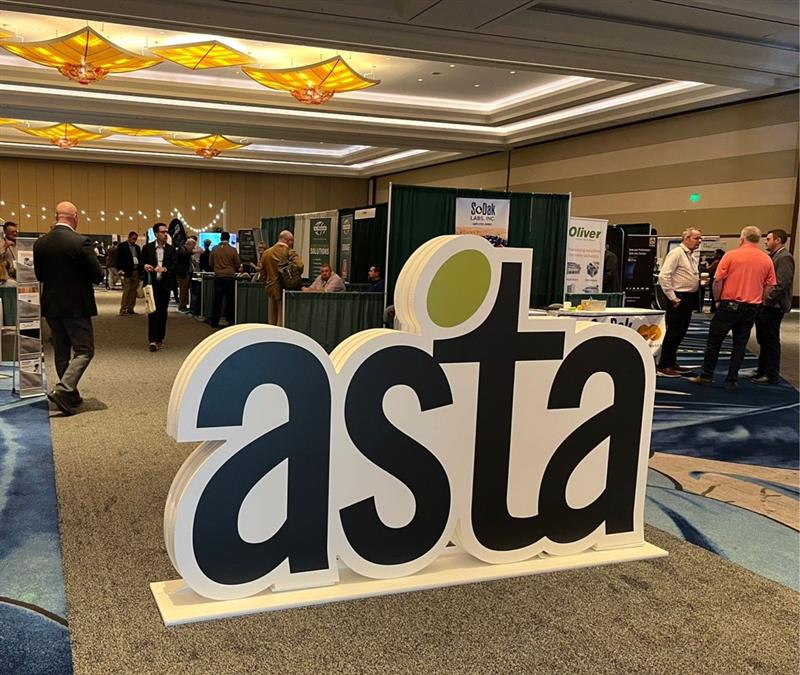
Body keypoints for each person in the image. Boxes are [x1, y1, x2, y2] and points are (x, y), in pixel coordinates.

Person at [33, 201, 104, 415]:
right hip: (76, 306)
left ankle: (69, 396)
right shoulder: (81, 242)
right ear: (75, 217)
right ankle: (64, 389)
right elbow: (97, 275)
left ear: (56, 216)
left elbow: (39, 275)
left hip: (51, 305)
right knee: (84, 350)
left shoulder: (40, 243)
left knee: (61, 349)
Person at [688, 226, 776, 391]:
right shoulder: (766, 259)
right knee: (740, 344)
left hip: (729, 304)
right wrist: (761, 299)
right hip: (751, 307)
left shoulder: (731, 255)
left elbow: (717, 280)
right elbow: (770, 285)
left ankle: (706, 375)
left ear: (742, 238)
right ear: (758, 239)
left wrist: (717, 300)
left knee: (715, 340)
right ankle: (731, 380)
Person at [749, 229, 795, 385]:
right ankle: (762, 370)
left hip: (774, 306)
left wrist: (767, 300)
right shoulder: (774, 256)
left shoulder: (784, 257)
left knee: (770, 340)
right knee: (763, 339)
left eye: (768, 239)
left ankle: (771, 373)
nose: (765, 241)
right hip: (767, 305)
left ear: (778, 240)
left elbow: (782, 283)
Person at [656, 228, 702, 377]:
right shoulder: (676, 253)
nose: (699, 241)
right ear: (686, 238)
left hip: (689, 297)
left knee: (681, 332)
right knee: (674, 332)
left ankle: (672, 362)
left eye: (700, 238)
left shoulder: (691, 255)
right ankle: (664, 365)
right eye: (696, 238)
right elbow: (664, 276)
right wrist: (672, 296)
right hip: (678, 297)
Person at [141, 222, 176, 351]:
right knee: (152, 312)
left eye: (166, 232)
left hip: (165, 284)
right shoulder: (147, 248)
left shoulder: (171, 249)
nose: (165, 234)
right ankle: (152, 340)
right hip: (152, 285)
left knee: (162, 313)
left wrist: (165, 269)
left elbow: (175, 266)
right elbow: (141, 262)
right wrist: (145, 266)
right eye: (162, 232)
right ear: (156, 234)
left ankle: (160, 338)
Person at [261, 230, 303, 326]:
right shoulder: (289, 252)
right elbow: (300, 265)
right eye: (291, 241)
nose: (292, 243)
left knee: (271, 318)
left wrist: (267, 281)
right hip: (283, 287)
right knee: (281, 318)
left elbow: (262, 270)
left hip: (270, 288)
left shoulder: (266, 253)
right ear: (287, 240)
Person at [210, 231, 241, 328]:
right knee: (230, 301)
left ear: (220, 238)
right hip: (229, 277)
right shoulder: (233, 250)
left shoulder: (214, 249)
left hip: (218, 277)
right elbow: (237, 263)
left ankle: (214, 322)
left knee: (217, 301)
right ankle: (230, 321)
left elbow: (210, 263)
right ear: (228, 239)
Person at [116, 230, 142, 315]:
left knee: (134, 291)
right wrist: (120, 269)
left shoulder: (137, 248)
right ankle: (123, 309)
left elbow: (140, 259)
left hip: (136, 271)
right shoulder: (122, 246)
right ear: (129, 238)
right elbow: (118, 258)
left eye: (135, 239)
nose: (134, 240)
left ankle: (131, 308)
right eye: (133, 239)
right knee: (127, 291)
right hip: (127, 271)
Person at [175, 236, 197, 312]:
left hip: (186, 273)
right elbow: (184, 255)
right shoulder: (182, 249)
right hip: (182, 274)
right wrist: (194, 252)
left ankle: (184, 305)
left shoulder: (184, 250)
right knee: (183, 290)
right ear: (189, 245)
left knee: (185, 290)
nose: (193, 248)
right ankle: (181, 306)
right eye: (193, 246)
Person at [705, 249, 725, 313]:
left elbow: (709, 269)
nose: (714, 255)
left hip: (714, 279)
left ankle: (713, 309)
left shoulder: (716, 262)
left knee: (713, 294)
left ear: (718, 255)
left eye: (715, 253)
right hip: (721, 279)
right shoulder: (723, 261)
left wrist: (706, 264)